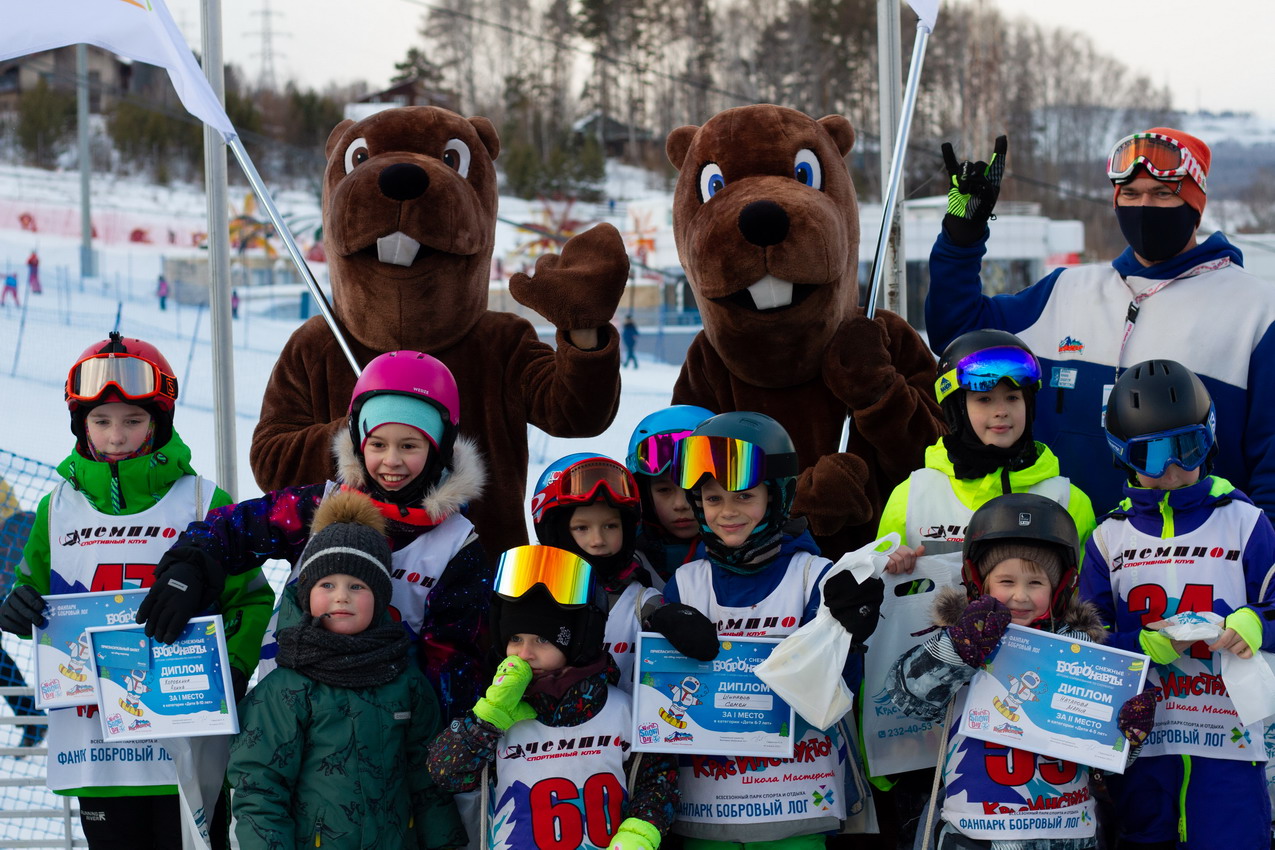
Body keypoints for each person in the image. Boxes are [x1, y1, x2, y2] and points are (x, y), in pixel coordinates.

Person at [0, 332, 273, 849]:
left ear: (158, 421)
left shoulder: (201, 500)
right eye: (101, 421)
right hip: (97, 749)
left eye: (132, 420)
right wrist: (14, 607)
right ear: (81, 424)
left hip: (185, 741)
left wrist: (232, 669)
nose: (116, 436)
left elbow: (253, 599)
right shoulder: (56, 508)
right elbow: (31, 589)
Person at [926, 129, 1275, 520]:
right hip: (1057, 545)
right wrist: (962, 238)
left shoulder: (1256, 311)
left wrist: (1259, 551)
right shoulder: (1066, 290)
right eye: (1131, 194)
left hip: (1184, 553)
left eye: (1162, 193)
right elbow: (958, 333)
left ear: (1194, 204)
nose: (1144, 206)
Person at [135, 350, 491, 722]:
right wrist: (191, 566)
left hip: (382, 730)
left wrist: (440, 735)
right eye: (378, 444)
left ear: (438, 449)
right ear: (359, 442)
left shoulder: (454, 545)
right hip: (284, 719)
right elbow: (234, 527)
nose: (391, 461)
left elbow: (453, 662)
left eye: (409, 445)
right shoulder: (321, 507)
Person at [662, 411, 885, 847]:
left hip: (794, 801)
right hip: (707, 806)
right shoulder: (686, 584)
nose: (727, 512)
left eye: (745, 496)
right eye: (713, 498)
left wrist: (851, 636)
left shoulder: (814, 577)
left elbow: (838, 691)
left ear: (777, 496)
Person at [1078, 359, 1275, 849]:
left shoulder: (1244, 523)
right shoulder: (1108, 540)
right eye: (1150, 455)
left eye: (1186, 448)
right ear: (1122, 455)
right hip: (1145, 748)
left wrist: (1256, 622)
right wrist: (1139, 646)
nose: (1170, 470)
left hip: (1230, 749)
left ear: (1209, 439)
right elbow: (1084, 645)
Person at [887, 493, 1156, 849]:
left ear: (1060, 586)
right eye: (1006, 582)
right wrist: (958, 648)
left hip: (1066, 831)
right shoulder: (963, 639)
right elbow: (908, 698)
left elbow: (1104, 761)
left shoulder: (1080, 651)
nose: (1020, 596)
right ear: (980, 581)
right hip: (976, 832)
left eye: (1035, 583)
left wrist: (1128, 735)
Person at [228, 487, 463, 850]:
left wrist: (445, 844)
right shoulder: (284, 690)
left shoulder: (404, 680)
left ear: (380, 598)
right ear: (307, 594)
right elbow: (260, 791)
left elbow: (427, 779)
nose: (341, 596)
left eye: (357, 585)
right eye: (327, 584)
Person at [427, 544, 679, 850]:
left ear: (577, 642)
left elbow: (658, 782)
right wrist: (488, 719)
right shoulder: (495, 715)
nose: (524, 654)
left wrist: (640, 833)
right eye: (515, 639)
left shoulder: (623, 710)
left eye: (542, 640)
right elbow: (447, 774)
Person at [878, 329, 1095, 574]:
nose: (1001, 411)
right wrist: (888, 564)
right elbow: (878, 583)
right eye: (984, 399)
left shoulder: (1067, 501)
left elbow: (1083, 593)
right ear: (957, 409)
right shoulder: (912, 497)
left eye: (1012, 398)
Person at [530, 453, 718, 689]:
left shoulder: (640, 602)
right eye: (582, 528)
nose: (597, 540)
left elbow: (671, 623)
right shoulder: (530, 594)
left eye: (610, 526)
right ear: (555, 533)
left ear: (628, 529)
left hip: (623, 711)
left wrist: (674, 618)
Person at [625, 405, 715, 583]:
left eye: (695, 489)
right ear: (644, 494)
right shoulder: (622, 552)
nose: (680, 504)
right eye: (664, 490)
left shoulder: (755, 553)